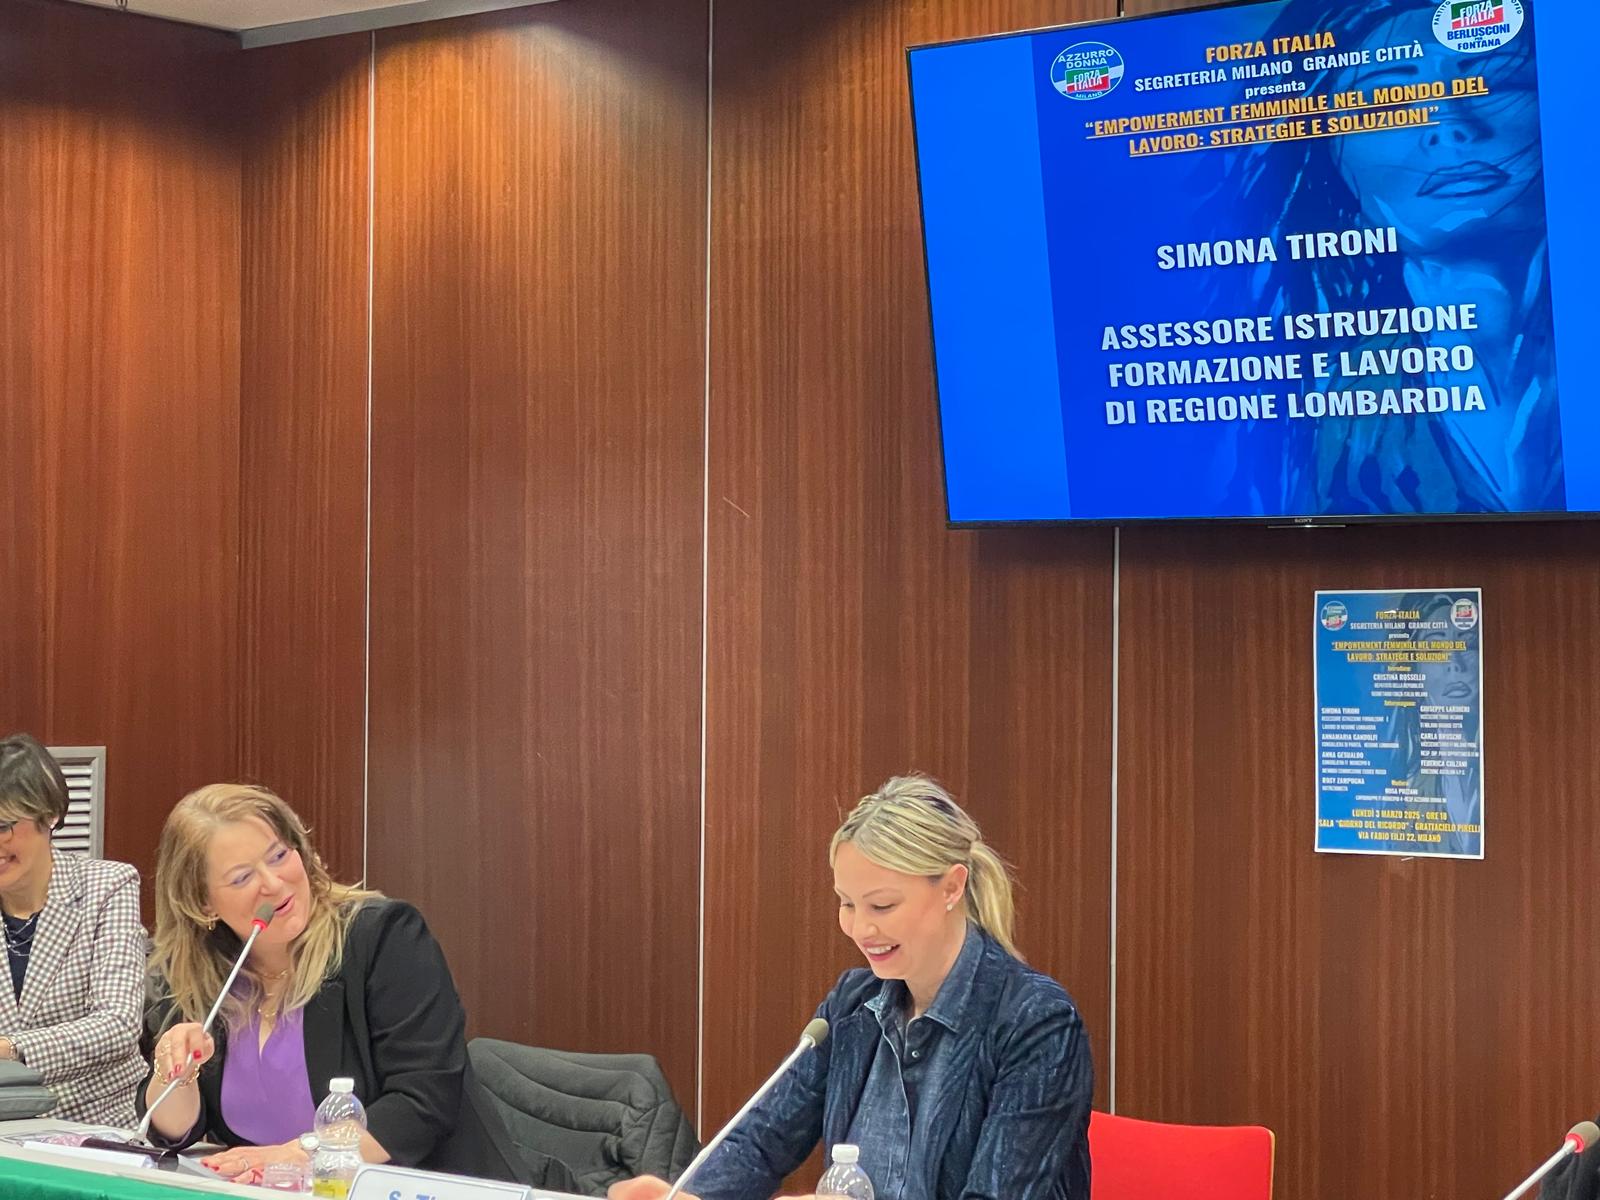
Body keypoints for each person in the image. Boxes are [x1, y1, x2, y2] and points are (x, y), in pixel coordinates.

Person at [613, 775, 1093, 1200]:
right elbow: (762, 1142)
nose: (861, 929)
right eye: (846, 904)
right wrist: (693, 1196)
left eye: (882, 906)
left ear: (951, 887)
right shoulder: (852, 1004)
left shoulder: (1036, 1021)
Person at [1206, 0, 1560, 516]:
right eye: (1386, 102)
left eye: (1497, 81)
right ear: (1329, 155)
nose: (1450, 124)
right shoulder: (1320, 411)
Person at [139, 783, 548, 1187]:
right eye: (243, 877)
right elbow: (177, 1132)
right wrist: (175, 1072)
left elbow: (423, 1101)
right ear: (203, 903)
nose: (274, 884)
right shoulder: (197, 974)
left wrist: (297, 1156)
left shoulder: (382, 938)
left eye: (279, 855)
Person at [0, 732, 147, 1126]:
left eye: (2, 826)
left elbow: (118, 1024)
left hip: (99, 1125)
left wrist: (10, 1048)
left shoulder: (108, 886)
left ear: (49, 815)